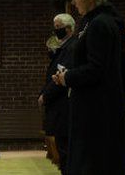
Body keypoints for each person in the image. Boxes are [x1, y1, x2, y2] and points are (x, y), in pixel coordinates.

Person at [51, 0, 125, 175]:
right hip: (96, 104)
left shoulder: (100, 24)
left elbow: (97, 69)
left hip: (96, 108)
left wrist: (67, 77)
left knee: (93, 163)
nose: (74, 2)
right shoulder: (97, 21)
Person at [40, 13, 77, 173]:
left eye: (58, 28)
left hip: (64, 105)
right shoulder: (64, 48)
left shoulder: (71, 48)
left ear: (69, 29)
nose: (55, 32)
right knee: (62, 147)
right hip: (59, 105)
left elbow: (60, 77)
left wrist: (45, 95)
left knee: (66, 148)